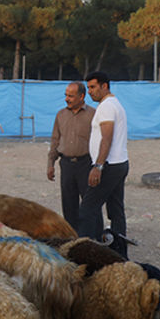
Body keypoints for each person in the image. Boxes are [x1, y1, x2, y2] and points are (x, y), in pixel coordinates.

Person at [82, 73, 130, 257]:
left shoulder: (107, 107)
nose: (90, 92)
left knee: (87, 209)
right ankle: (119, 254)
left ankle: (86, 256)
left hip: (109, 166)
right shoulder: (115, 104)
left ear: (105, 86)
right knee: (116, 211)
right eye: (88, 88)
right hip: (119, 163)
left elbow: (106, 138)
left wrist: (98, 166)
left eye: (93, 87)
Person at [47, 81, 95, 234]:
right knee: (68, 204)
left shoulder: (93, 115)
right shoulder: (61, 115)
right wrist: (50, 163)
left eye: (71, 96)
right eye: (66, 95)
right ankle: (72, 236)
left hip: (86, 164)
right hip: (66, 164)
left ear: (82, 96)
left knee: (89, 204)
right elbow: (55, 140)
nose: (67, 99)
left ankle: (91, 236)